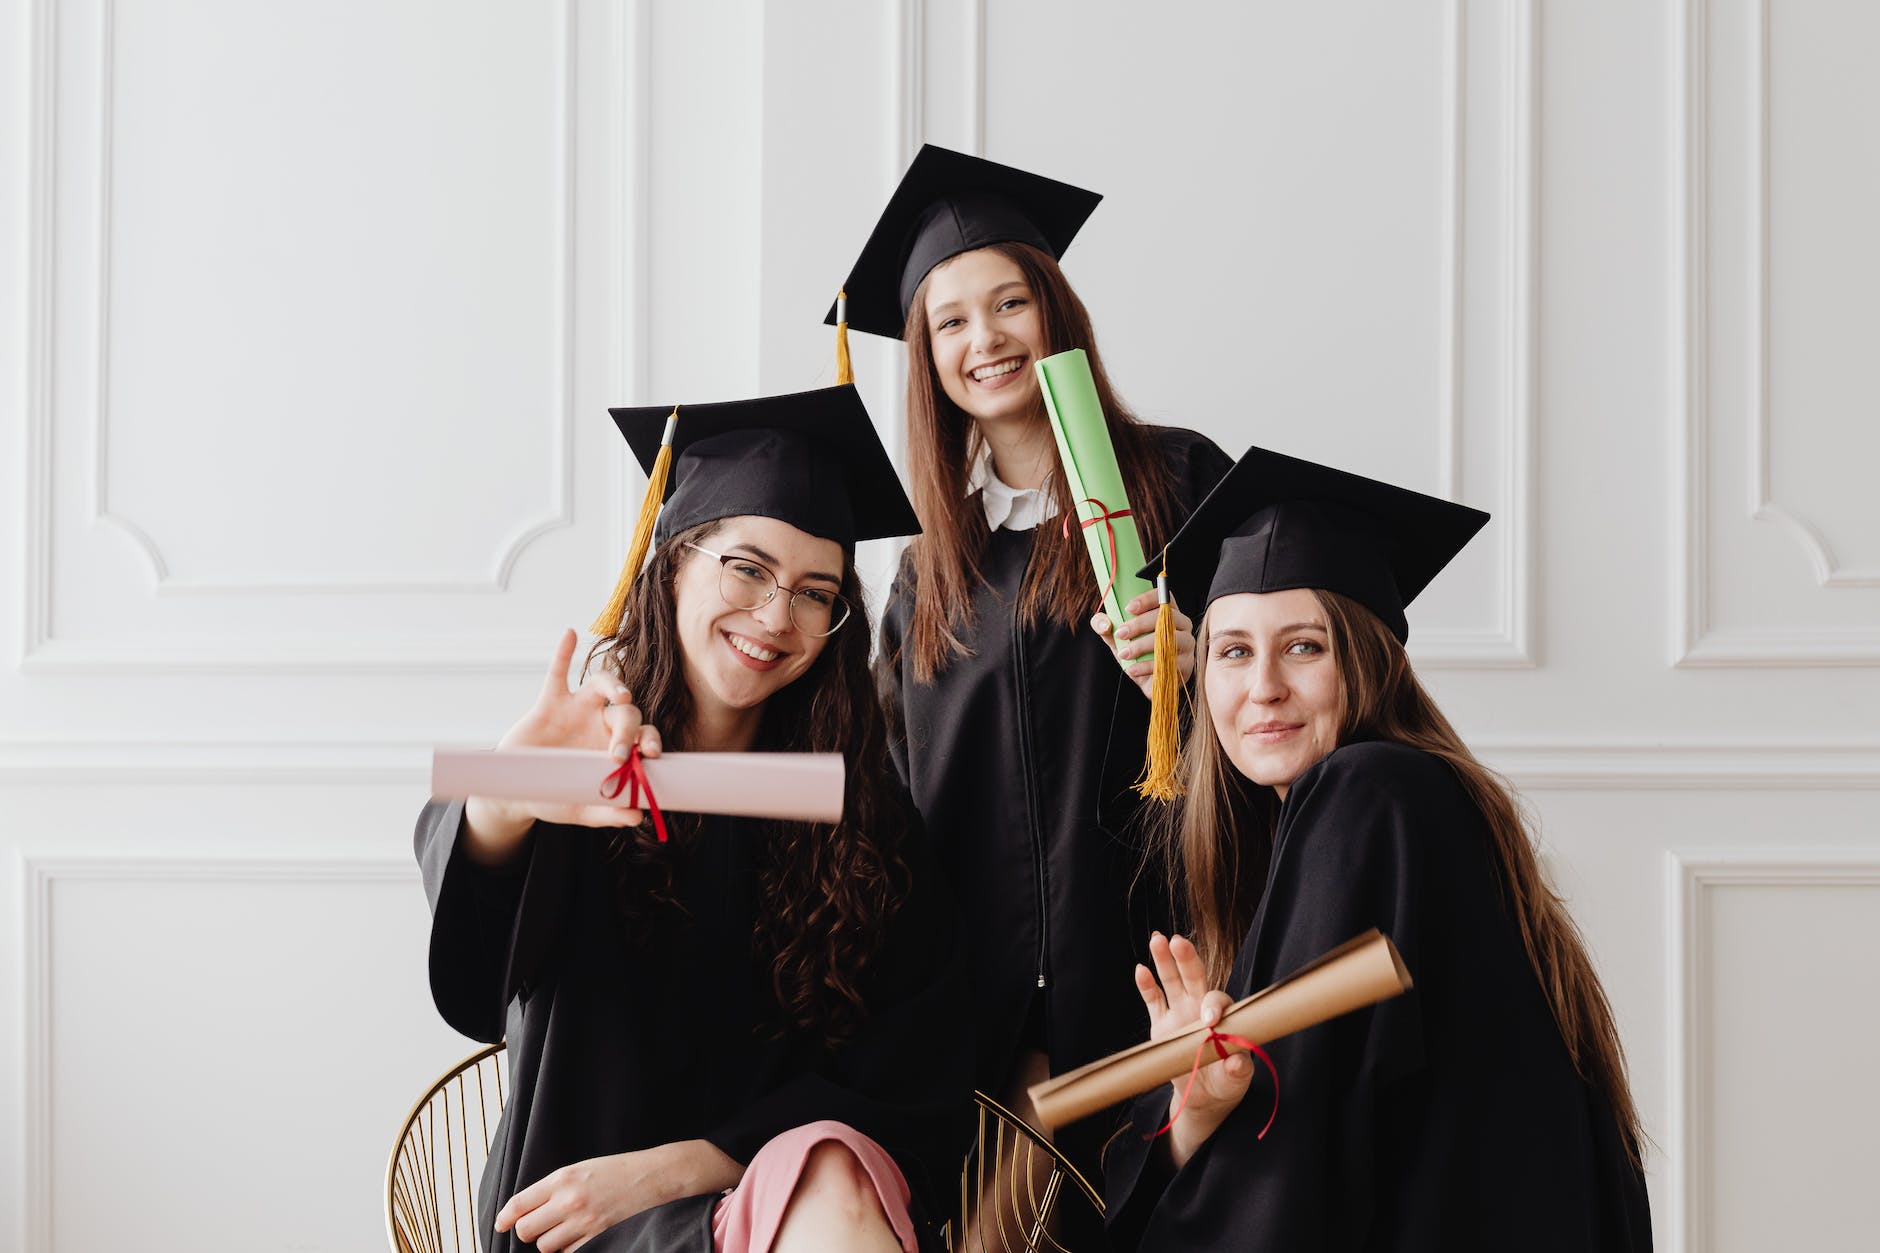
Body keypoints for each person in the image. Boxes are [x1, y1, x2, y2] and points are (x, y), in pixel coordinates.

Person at [415, 387, 971, 1253]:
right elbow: (475, 982)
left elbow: (910, 1075)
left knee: (826, 1170)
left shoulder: (863, 819)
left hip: (786, 1212)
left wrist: (677, 1167)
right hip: (582, 1226)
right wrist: (509, 794)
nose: (777, 616)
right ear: (674, 559)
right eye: (747, 568)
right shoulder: (586, 767)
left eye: (816, 592)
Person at [1104, 446, 1653, 1250]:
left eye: (1303, 646)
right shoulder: (1419, 801)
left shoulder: (1369, 795)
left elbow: (1296, 1156)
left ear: (1366, 659)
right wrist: (1200, 1107)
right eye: (1233, 651)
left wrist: (1196, 1129)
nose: (1262, 687)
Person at [831, 146, 1233, 1209]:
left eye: (1008, 301)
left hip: (1165, 969)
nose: (984, 339)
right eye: (950, 321)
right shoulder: (927, 571)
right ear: (924, 357)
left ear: (1054, 312)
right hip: (985, 1012)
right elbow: (896, 796)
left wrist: (1199, 674)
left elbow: (1302, 693)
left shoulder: (1181, 483)